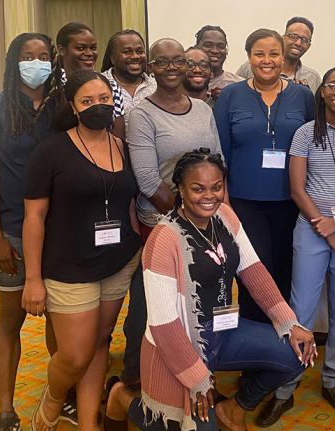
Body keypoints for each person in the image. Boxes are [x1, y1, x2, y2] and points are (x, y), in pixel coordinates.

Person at [103, 148, 316, 431]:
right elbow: (164, 327)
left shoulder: (225, 216)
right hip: (177, 347)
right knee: (186, 423)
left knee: (297, 353)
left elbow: (255, 273)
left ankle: (234, 408)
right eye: (197, 188)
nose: (209, 196)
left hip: (223, 332)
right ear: (179, 188)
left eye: (217, 187)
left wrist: (290, 323)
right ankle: (122, 399)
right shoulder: (163, 240)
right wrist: (198, 379)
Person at [257, 66, 335, 426]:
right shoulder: (304, 133)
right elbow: (298, 190)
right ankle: (286, 386)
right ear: (323, 92)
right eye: (333, 85)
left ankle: (332, 379)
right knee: (301, 308)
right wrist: (325, 228)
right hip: (312, 226)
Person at [22, 69, 142, 431]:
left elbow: (129, 203)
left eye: (104, 99)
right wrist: (32, 280)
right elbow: (34, 217)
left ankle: (89, 423)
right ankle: (54, 397)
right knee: (74, 355)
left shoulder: (122, 145)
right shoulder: (51, 151)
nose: (98, 106)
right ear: (73, 107)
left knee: (99, 344)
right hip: (68, 266)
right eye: (88, 101)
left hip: (118, 262)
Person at [122, 38, 222, 390]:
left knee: (199, 300)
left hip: (206, 219)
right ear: (151, 67)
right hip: (162, 225)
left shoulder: (203, 109)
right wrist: (188, 221)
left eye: (176, 61)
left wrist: (210, 215)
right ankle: (136, 374)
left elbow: (217, 164)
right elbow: (148, 179)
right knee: (153, 304)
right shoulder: (141, 114)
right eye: (161, 62)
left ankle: (197, 370)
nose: (170, 68)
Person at [0, 32, 56, 431]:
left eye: (43, 55)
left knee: (60, 321)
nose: (36, 62)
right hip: (10, 230)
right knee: (10, 321)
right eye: (28, 56)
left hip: (59, 233)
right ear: (14, 62)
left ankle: (60, 395)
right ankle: (7, 409)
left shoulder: (61, 106)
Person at [214, 29, 314, 324]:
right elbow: (220, 153)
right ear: (248, 57)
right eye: (260, 53)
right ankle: (254, 346)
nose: (267, 60)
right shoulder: (231, 95)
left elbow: (312, 145)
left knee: (286, 269)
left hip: (292, 200)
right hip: (245, 202)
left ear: (284, 58)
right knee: (254, 272)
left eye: (274, 54)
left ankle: (283, 342)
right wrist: (226, 204)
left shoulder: (303, 96)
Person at [48, 22, 126, 138]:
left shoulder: (110, 85)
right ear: (62, 50)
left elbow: (117, 133)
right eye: (81, 48)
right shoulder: (52, 84)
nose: (89, 53)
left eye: (93, 48)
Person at [237, 17, 321, 93]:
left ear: (309, 46)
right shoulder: (250, 67)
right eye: (293, 36)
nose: (298, 43)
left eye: (304, 40)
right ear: (283, 38)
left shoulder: (313, 78)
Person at [101, 29, 157, 125]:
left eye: (140, 51)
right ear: (112, 58)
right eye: (127, 52)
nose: (135, 56)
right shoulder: (99, 84)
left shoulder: (156, 85)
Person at [195, 25, 243, 103]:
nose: (215, 51)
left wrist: (230, 100)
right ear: (196, 48)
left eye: (221, 46)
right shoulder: (185, 83)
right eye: (208, 45)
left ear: (226, 51)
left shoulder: (239, 85)